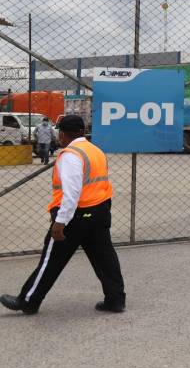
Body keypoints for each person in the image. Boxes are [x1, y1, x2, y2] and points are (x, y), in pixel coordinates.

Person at [0, 115, 126, 315]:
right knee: (105, 257)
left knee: (51, 260)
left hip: (75, 216)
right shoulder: (95, 151)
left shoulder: (71, 155)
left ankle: (28, 301)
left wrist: (60, 222)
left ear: (63, 134)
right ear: (82, 132)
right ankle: (115, 300)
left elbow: (72, 193)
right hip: (100, 212)